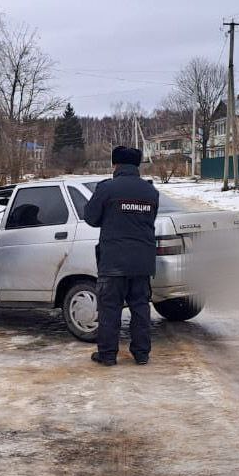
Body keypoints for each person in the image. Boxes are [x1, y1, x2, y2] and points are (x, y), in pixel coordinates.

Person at [83, 145, 159, 366]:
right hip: (142, 261)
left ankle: (107, 355)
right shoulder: (150, 191)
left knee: (110, 309)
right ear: (137, 165)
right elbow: (149, 221)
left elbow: (91, 218)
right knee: (140, 308)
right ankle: (142, 354)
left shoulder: (107, 189)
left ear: (115, 165)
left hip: (113, 260)